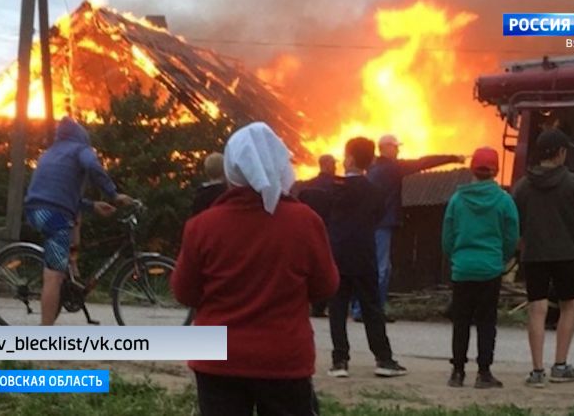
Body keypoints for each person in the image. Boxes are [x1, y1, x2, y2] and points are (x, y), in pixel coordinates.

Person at [171, 122, 339, 416]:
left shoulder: (202, 226)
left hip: (217, 360)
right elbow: (326, 286)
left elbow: (184, 292)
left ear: (232, 170)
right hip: (284, 359)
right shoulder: (305, 222)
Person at [24, 116, 133, 326]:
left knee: (61, 266)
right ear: (82, 136)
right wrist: (113, 194)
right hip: (54, 215)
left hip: (36, 210)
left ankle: (69, 281)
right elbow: (92, 166)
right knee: (53, 277)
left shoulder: (51, 152)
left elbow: (59, 194)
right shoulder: (80, 149)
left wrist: (93, 206)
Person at [512, 128, 574, 387]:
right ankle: (560, 365)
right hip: (566, 253)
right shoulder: (572, 182)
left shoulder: (523, 185)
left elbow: (516, 221)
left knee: (537, 308)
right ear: (560, 153)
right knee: (568, 306)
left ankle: (537, 371)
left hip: (534, 254)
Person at [355, 134, 464, 319]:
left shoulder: (372, 169)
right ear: (386, 147)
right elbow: (423, 163)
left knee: (371, 266)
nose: (398, 150)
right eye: (395, 147)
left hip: (370, 224)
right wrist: (452, 158)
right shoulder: (391, 168)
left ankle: (363, 308)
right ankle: (370, 311)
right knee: (381, 269)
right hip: (382, 224)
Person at [326, 137, 407, 379]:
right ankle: (383, 359)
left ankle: (340, 361)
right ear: (371, 159)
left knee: (338, 309)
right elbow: (378, 216)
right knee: (372, 307)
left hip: (338, 255)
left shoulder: (333, 189)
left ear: (349, 158)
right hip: (364, 255)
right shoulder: (375, 192)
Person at [442, 147, 519, 389]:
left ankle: (457, 372)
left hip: (463, 269)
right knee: (486, 322)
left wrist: (456, 258)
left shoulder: (457, 200)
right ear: (495, 171)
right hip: (489, 269)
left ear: (471, 169)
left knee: (461, 321)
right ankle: (484, 372)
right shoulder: (504, 201)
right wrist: (500, 259)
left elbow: (447, 237)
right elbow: (511, 236)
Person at [297, 154, 337, 317]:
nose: (335, 167)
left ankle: (306, 304)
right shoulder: (336, 186)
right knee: (324, 267)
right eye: (333, 164)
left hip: (307, 231)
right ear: (326, 165)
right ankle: (320, 306)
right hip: (329, 230)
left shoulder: (306, 186)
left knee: (307, 266)